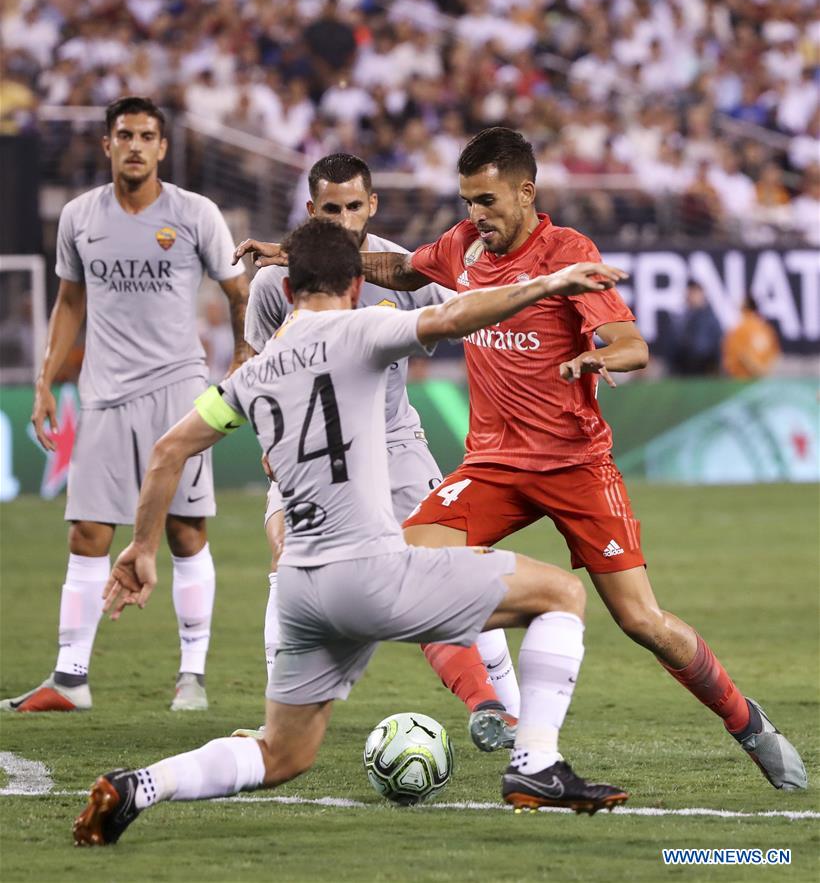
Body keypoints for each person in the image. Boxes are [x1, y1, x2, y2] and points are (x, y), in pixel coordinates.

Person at [237, 127, 806, 791]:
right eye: (467, 201)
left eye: (487, 200)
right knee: (404, 560)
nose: (477, 214)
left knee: (642, 621)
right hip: (494, 467)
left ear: (526, 191)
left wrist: (599, 355)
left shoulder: (568, 252)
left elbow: (632, 343)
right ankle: (498, 719)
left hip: (576, 466)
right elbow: (398, 269)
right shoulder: (462, 247)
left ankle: (746, 722)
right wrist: (294, 257)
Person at [72, 219, 630, 846]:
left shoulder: (254, 374)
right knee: (562, 594)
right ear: (359, 283)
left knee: (281, 756)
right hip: (370, 571)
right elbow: (455, 317)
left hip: (302, 590)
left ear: (286, 291)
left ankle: (136, 787)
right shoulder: (362, 328)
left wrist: (143, 547)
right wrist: (548, 282)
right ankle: (536, 765)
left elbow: (168, 451)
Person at [232, 153, 522, 749]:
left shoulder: (399, 274)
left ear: (373, 207)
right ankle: (277, 725)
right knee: (287, 561)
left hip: (393, 442)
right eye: (330, 209)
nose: (342, 219)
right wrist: (271, 439)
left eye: (353, 207)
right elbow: (256, 366)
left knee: (451, 564)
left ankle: (509, 713)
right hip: (310, 453)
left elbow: (466, 321)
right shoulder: (270, 285)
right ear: (312, 210)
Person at [0, 96, 250, 714]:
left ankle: (191, 676)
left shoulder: (195, 213)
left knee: (186, 531)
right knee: (87, 532)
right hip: (105, 395)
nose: (135, 145)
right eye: (124, 135)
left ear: (162, 148)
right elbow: (69, 303)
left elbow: (239, 290)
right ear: (107, 144)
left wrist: (244, 358)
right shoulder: (80, 216)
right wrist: (43, 382)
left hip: (177, 389)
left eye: (146, 136)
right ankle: (69, 678)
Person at [669, 281, 723, 376]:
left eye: (694, 293)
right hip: (685, 369)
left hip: (704, 368)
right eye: (689, 293)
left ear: (701, 294)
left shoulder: (710, 318)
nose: (690, 297)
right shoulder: (683, 317)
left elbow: (711, 346)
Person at [722, 297, 781, 379]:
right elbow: (774, 353)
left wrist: (756, 369)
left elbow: (742, 354)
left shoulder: (740, 329)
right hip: (761, 377)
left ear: (744, 309)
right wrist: (763, 370)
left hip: (742, 377)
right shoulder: (766, 329)